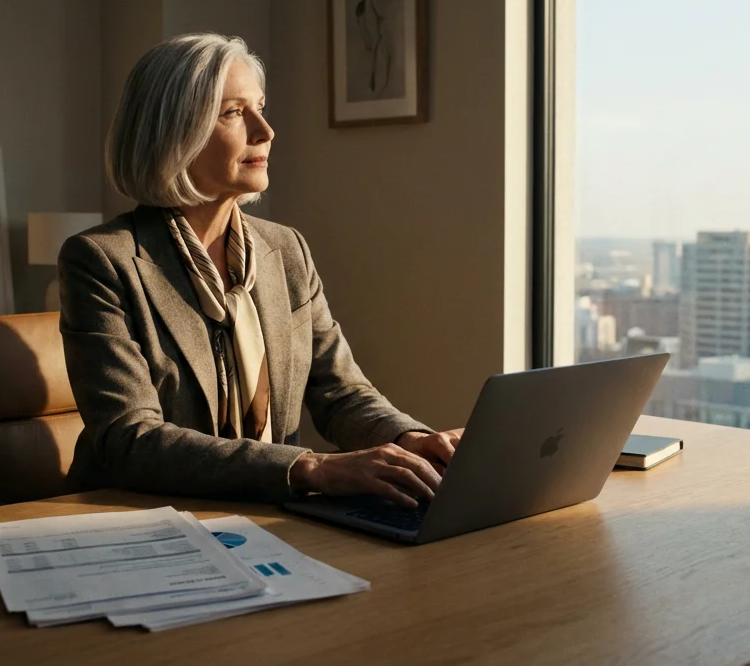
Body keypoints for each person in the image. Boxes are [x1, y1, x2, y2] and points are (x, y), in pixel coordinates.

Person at [59, 33, 462, 507]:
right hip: (142, 520)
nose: (265, 130)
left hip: (268, 514)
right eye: (233, 112)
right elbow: (131, 439)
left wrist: (411, 440)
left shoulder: (285, 249)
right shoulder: (102, 261)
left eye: (261, 108)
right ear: (172, 132)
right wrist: (310, 467)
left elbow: (341, 393)